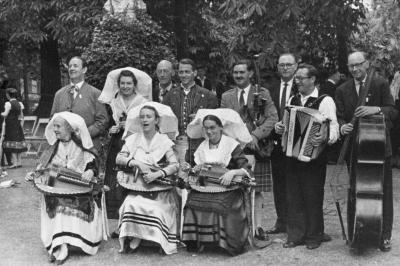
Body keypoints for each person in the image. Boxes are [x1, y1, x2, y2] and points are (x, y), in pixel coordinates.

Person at [335, 51, 397, 251]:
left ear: (367, 64)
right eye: (351, 66)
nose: (355, 69)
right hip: (355, 149)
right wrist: (343, 126)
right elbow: (340, 116)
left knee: (383, 191)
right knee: (355, 191)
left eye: (359, 65)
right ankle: (357, 233)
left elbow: (393, 111)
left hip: (379, 149)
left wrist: (376, 109)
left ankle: (383, 236)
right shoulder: (342, 89)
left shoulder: (380, 83)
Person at [275, 64, 339, 249]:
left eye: (302, 78)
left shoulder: (325, 101)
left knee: (312, 194)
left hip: (314, 156)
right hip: (292, 155)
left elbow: (333, 126)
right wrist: (280, 127)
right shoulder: (293, 99)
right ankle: (295, 235)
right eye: (297, 78)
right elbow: (286, 123)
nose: (298, 81)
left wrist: (325, 137)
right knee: (293, 195)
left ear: (313, 79)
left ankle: (313, 236)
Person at [181, 112, 254, 256]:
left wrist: (232, 173)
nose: (209, 132)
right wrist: (192, 169)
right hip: (206, 187)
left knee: (219, 206)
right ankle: (200, 242)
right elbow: (196, 171)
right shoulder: (202, 146)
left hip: (229, 188)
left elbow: (246, 169)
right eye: (206, 128)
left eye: (213, 128)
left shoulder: (231, 145)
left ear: (221, 127)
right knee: (191, 204)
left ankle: (225, 243)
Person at [38, 112, 106, 264]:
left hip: (78, 189)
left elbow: (92, 164)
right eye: (54, 126)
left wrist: (90, 171)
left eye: (58, 126)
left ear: (69, 128)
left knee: (69, 202)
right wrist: (39, 174)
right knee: (57, 201)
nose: (55, 129)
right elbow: (44, 168)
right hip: (57, 187)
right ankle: (61, 245)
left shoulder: (81, 145)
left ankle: (73, 241)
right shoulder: (53, 147)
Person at [220, 59, 278, 240]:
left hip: (256, 147)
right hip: (234, 148)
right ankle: (239, 227)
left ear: (251, 73)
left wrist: (255, 136)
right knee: (236, 187)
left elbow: (272, 118)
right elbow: (223, 121)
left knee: (256, 188)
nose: (238, 76)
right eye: (235, 72)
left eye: (242, 72)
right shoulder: (226, 96)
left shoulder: (262, 93)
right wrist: (237, 141)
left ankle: (257, 227)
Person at [115, 104, 180, 255]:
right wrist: (136, 162)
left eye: (149, 117)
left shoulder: (164, 141)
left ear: (156, 120)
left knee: (156, 209)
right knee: (130, 203)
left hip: (159, 190)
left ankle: (155, 238)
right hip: (138, 187)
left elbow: (175, 165)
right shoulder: (133, 139)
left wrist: (158, 174)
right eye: (142, 116)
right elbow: (119, 158)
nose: (144, 120)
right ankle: (136, 236)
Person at [100, 70, 148, 220]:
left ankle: (131, 214)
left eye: (129, 83)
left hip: (135, 143)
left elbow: (147, 124)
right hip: (117, 142)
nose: (125, 86)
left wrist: (130, 125)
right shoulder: (114, 102)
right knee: (114, 175)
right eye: (122, 83)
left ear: (134, 85)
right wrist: (111, 129)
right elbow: (106, 124)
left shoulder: (142, 102)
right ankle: (115, 213)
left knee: (130, 175)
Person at [162, 58, 218, 166]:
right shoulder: (170, 95)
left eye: (187, 72)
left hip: (202, 142)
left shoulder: (208, 95)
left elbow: (216, 123)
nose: (183, 75)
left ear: (195, 73)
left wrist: (201, 118)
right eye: (181, 72)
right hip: (178, 142)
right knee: (181, 176)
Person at [266, 53, 298, 234]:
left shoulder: (302, 85)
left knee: (295, 181)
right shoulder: (271, 88)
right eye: (282, 65)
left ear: (295, 66)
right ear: (277, 68)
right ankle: (282, 221)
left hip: (297, 141)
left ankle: (296, 221)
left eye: (288, 65)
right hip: (277, 142)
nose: (285, 68)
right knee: (279, 182)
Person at [50, 56, 109, 152]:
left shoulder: (95, 93)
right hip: (64, 149)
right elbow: (52, 118)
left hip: (88, 148)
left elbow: (102, 121)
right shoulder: (59, 94)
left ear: (84, 69)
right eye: (70, 66)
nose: (72, 69)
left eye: (75, 66)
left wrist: (84, 133)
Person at [1, 87, 27, 168]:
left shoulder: (8, 104)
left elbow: (5, 114)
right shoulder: (20, 104)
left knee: (12, 143)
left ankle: (14, 163)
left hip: (10, 125)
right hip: (17, 124)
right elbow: (21, 116)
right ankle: (19, 162)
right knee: (18, 142)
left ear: (8, 95)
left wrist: (1, 113)